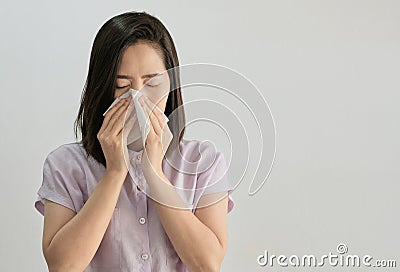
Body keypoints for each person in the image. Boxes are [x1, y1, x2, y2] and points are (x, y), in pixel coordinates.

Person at [34, 11, 234, 272]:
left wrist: (155, 175)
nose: (138, 99)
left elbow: (207, 264)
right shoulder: (65, 165)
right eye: (121, 85)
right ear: (102, 89)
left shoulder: (204, 162)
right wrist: (116, 172)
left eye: (152, 83)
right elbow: (62, 266)